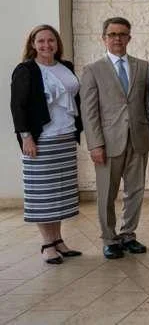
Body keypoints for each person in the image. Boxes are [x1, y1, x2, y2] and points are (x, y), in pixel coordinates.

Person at [80, 17, 149, 259]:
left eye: (122, 34)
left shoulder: (143, 67)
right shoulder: (93, 70)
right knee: (107, 193)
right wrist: (95, 144)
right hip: (108, 143)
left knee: (135, 191)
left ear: (129, 38)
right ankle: (109, 238)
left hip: (138, 139)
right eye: (112, 34)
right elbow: (89, 112)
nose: (118, 39)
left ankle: (128, 235)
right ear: (104, 38)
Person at [10, 25, 83, 264]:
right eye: (40, 41)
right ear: (32, 44)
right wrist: (26, 137)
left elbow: (76, 99)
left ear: (57, 43)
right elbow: (17, 106)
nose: (46, 45)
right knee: (42, 195)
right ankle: (46, 244)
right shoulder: (26, 70)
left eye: (51, 40)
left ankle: (58, 240)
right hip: (41, 140)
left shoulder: (66, 67)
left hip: (65, 137)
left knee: (60, 192)